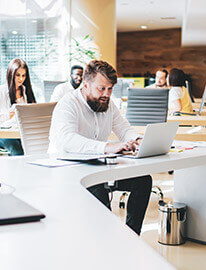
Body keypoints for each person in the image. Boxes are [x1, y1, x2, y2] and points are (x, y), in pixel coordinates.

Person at [48, 60, 152, 235]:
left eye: (110, 88)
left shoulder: (107, 104)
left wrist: (137, 139)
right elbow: (67, 140)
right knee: (99, 195)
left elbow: (123, 128)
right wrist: (107, 147)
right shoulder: (68, 104)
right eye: (101, 88)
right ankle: (106, 242)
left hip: (97, 167)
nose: (106, 94)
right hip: (69, 169)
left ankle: (132, 238)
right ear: (86, 84)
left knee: (143, 181)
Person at [0, 58, 36, 155]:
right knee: (19, 151)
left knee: (35, 148)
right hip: (4, 134)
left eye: (23, 75)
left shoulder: (25, 90)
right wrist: (8, 115)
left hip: (21, 133)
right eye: (17, 75)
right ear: (11, 74)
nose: (21, 79)